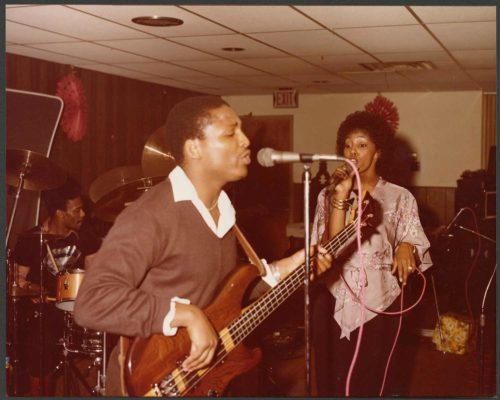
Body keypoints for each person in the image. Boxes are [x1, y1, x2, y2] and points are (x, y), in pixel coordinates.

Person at [73, 95, 332, 396]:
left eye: (242, 131)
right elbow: (92, 302)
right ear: (193, 148)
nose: (246, 141)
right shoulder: (151, 214)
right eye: (230, 133)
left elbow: (225, 297)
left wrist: (285, 268)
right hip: (152, 382)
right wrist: (187, 315)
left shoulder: (224, 210)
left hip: (203, 381)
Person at [310, 109, 432, 397]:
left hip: (381, 300)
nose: (352, 152)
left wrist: (406, 246)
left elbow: (414, 241)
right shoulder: (327, 195)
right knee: (329, 376)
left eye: (362, 145)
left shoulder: (400, 196)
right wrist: (339, 198)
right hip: (333, 297)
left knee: (374, 378)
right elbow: (324, 247)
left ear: (378, 151)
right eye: (348, 145)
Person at [13, 178, 101, 395]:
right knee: (39, 339)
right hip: (43, 311)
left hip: (78, 308)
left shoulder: (85, 236)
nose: (83, 215)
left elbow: (96, 274)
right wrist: (33, 289)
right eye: (77, 210)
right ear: (60, 213)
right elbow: (17, 282)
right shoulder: (30, 241)